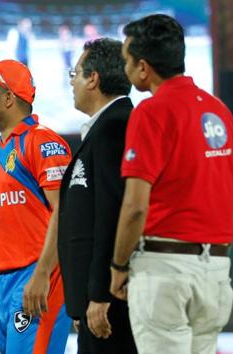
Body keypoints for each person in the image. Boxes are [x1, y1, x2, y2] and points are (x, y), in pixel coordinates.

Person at [110, 14, 233, 354]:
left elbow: (136, 205)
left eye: (126, 60)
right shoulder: (220, 111)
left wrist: (119, 265)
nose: (124, 68)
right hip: (216, 269)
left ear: (143, 67)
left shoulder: (151, 112)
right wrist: (214, 251)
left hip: (163, 269)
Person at [0, 59, 71, 354]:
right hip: (3, 287)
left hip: (38, 278)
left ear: (9, 98)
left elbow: (65, 213)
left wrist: (41, 275)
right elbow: (2, 236)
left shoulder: (43, 142)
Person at [57, 38, 137, 354]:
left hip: (108, 303)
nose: (72, 82)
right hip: (95, 302)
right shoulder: (103, 127)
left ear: (94, 79)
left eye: (75, 74)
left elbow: (112, 211)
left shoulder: (115, 126)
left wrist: (100, 292)